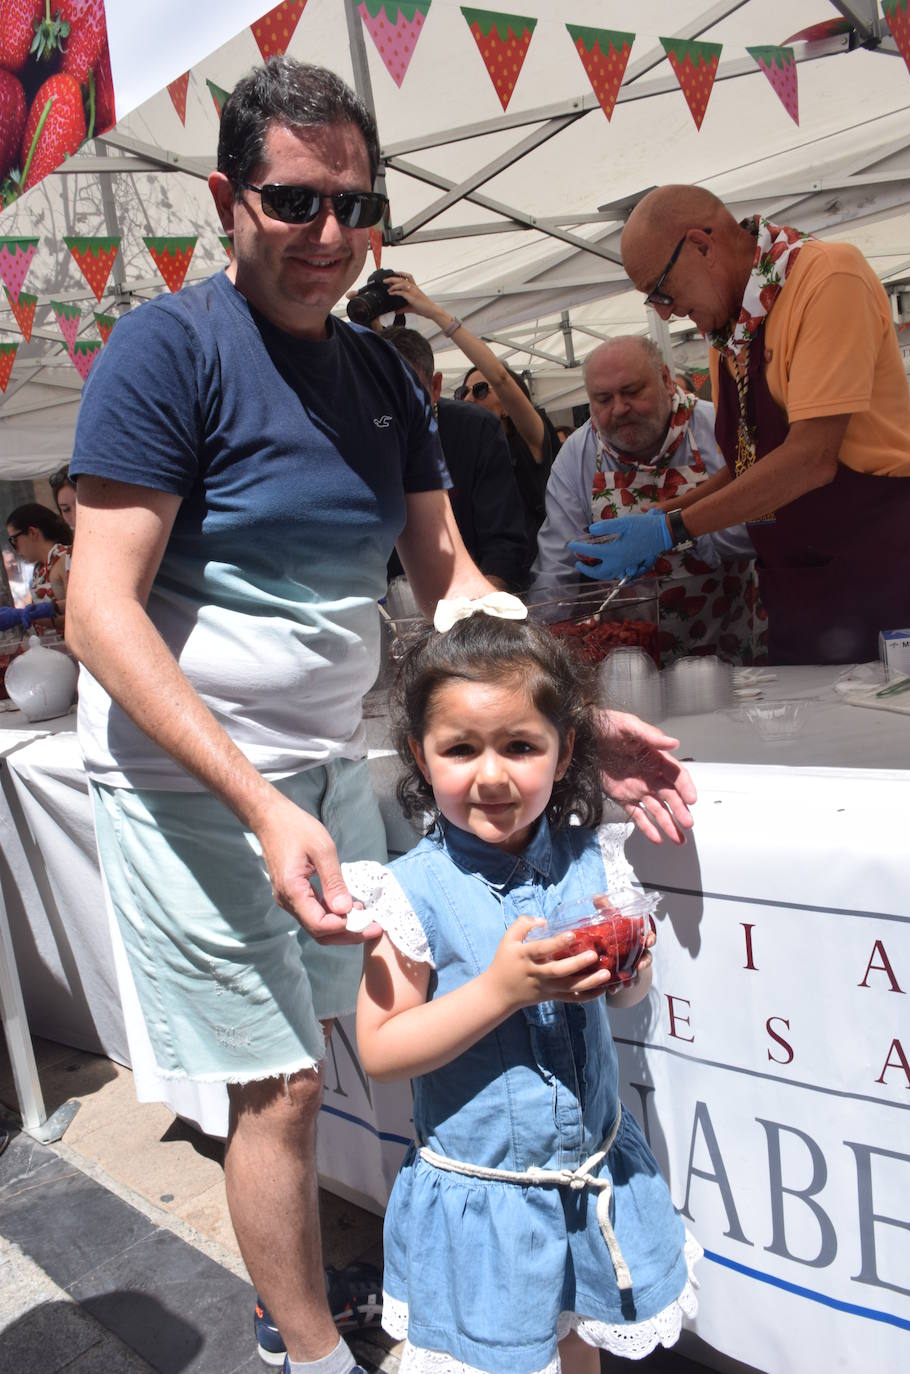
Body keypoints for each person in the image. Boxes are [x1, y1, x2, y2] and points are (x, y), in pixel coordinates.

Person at [64, 57, 696, 1374]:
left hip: (324, 761)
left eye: (360, 207)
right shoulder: (167, 347)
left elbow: (453, 580)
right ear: (228, 197)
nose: (334, 238)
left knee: (391, 1029)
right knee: (281, 1081)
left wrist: (570, 717)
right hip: (189, 784)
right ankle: (310, 1352)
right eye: (298, 204)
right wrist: (253, 799)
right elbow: (100, 609)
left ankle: (446, 1291)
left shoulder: (384, 375)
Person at [349, 608, 700, 1374]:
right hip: (486, 1207)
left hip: (589, 1182)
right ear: (419, 754)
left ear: (563, 749)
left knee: (579, 1337)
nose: (493, 775)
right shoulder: (410, 893)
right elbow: (380, 1048)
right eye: (460, 749)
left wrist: (626, 973)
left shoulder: (593, 863)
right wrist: (500, 991)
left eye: (520, 746)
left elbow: (629, 1000)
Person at [591, 184, 910, 664]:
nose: (666, 311)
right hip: (800, 590)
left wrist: (675, 529)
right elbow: (751, 463)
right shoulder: (734, 330)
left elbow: (809, 459)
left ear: (702, 244)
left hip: (878, 577)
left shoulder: (828, 278)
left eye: (661, 290)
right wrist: (666, 512)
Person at [531, 337, 764, 665]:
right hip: (627, 660)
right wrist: (543, 642)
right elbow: (558, 567)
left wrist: (683, 534)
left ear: (667, 381)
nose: (619, 409)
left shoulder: (718, 428)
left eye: (632, 391)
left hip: (730, 641)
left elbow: (763, 528)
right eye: (603, 399)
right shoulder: (576, 457)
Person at [381, 274, 562, 564]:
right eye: (464, 390)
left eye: (480, 389)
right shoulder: (466, 442)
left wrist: (434, 313)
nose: (468, 398)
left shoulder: (533, 439)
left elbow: (500, 377)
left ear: (507, 403)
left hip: (533, 571)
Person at [381, 326, 529, 590]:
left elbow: (504, 546)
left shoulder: (475, 430)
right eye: (379, 395)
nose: (394, 411)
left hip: (468, 595)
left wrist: (480, 610)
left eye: (407, 396)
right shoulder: (353, 432)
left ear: (435, 386)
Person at [5, 502, 71, 631]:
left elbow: (78, 612)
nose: (15, 549)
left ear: (32, 532)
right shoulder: (40, 568)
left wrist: (23, 616)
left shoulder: (65, 558)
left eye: (14, 540)